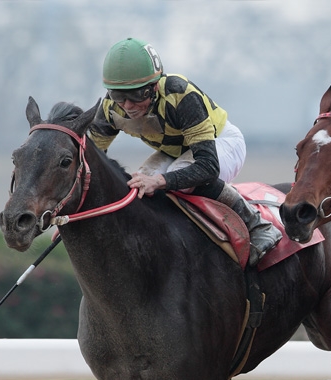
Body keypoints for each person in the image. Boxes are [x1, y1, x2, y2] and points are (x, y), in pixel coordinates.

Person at [88, 37, 281, 267]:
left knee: (178, 180)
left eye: (137, 95)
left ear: (154, 86)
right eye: (119, 96)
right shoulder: (110, 108)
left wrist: (159, 181)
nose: (127, 105)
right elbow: (91, 162)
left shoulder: (181, 95)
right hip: (175, 150)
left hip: (221, 143)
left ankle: (258, 225)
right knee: (138, 186)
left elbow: (208, 167)